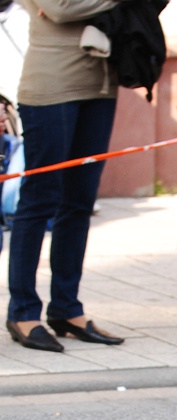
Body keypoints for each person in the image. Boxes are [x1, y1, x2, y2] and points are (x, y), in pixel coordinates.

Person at [6, 0, 126, 353]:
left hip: (102, 85)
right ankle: (23, 311)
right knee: (39, 200)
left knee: (79, 202)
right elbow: (60, 9)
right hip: (51, 88)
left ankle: (66, 308)